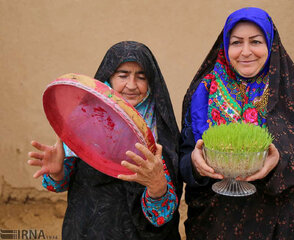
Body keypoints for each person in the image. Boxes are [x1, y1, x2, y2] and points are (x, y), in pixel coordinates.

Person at [180, 7, 294, 239]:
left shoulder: (293, 91)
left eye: (256, 42)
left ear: (270, 45)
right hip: (219, 224)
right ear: (226, 46)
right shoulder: (204, 91)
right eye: (237, 42)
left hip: (284, 224)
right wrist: (195, 165)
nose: (246, 52)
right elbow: (185, 157)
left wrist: (278, 162)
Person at [28, 41, 182, 240]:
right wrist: (58, 173)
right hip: (87, 230)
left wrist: (157, 186)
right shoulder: (83, 118)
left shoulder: (161, 131)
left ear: (151, 82)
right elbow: (58, 184)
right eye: (123, 75)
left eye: (141, 77)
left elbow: (164, 214)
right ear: (109, 76)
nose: (132, 85)